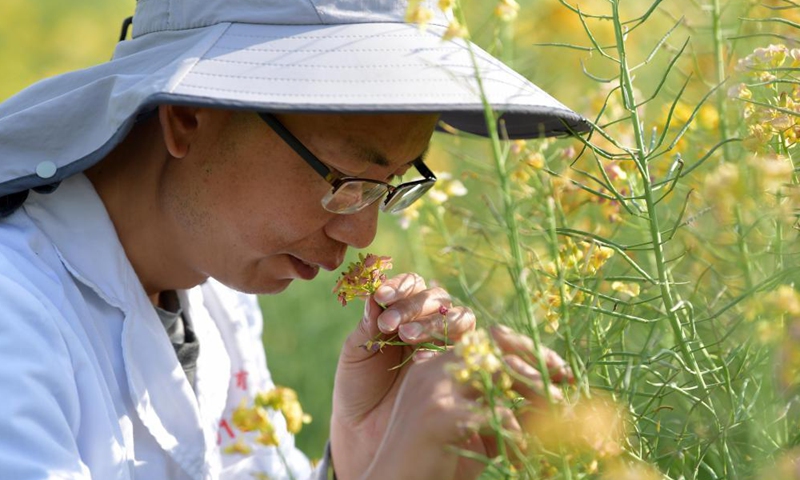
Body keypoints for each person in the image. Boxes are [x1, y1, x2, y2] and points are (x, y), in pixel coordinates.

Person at [0, 0, 588, 479]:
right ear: (187, 115)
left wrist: (360, 456)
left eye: (389, 185)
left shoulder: (216, 285)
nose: (361, 233)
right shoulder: (14, 316)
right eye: (345, 179)